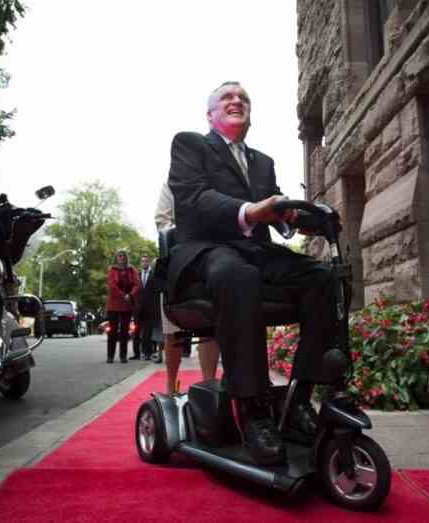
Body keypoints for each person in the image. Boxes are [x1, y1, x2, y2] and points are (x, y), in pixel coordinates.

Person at [165, 81, 335, 465]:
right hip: (207, 251)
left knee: (323, 278)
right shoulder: (190, 145)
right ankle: (253, 409)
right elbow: (196, 198)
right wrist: (251, 211)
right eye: (227, 97)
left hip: (256, 252)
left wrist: (301, 219)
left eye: (243, 98)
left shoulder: (263, 162)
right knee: (238, 276)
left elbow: (277, 213)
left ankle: (298, 400)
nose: (237, 101)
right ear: (211, 114)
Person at [154, 180, 220, 392]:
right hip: (179, 256)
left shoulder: (216, 179)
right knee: (172, 329)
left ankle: (209, 384)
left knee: (210, 326)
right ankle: (171, 384)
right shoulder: (171, 184)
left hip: (212, 257)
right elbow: (162, 221)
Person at [106, 249, 140, 363]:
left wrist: (130, 295)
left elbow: (137, 284)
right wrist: (123, 295)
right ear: (116, 257)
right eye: (119, 256)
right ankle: (110, 356)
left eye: (123, 256)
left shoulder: (132, 270)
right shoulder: (112, 269)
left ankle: (123, 356)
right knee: (113, 331)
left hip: (127, 304)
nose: (121, 257)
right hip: (114, 304)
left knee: (125, 331)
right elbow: (112, 285)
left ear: (126, 257)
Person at [132, 254, 158, 360]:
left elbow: (156, 292)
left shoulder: (153, 275)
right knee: (136, 331)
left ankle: (147, 353)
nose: (144, 263)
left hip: (150, 308)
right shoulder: (136, 276)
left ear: (149, 262)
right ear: (140, 263)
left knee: (148, 332)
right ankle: (136, 354)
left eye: (146, 261)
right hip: (138, 308)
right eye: (142, 261)